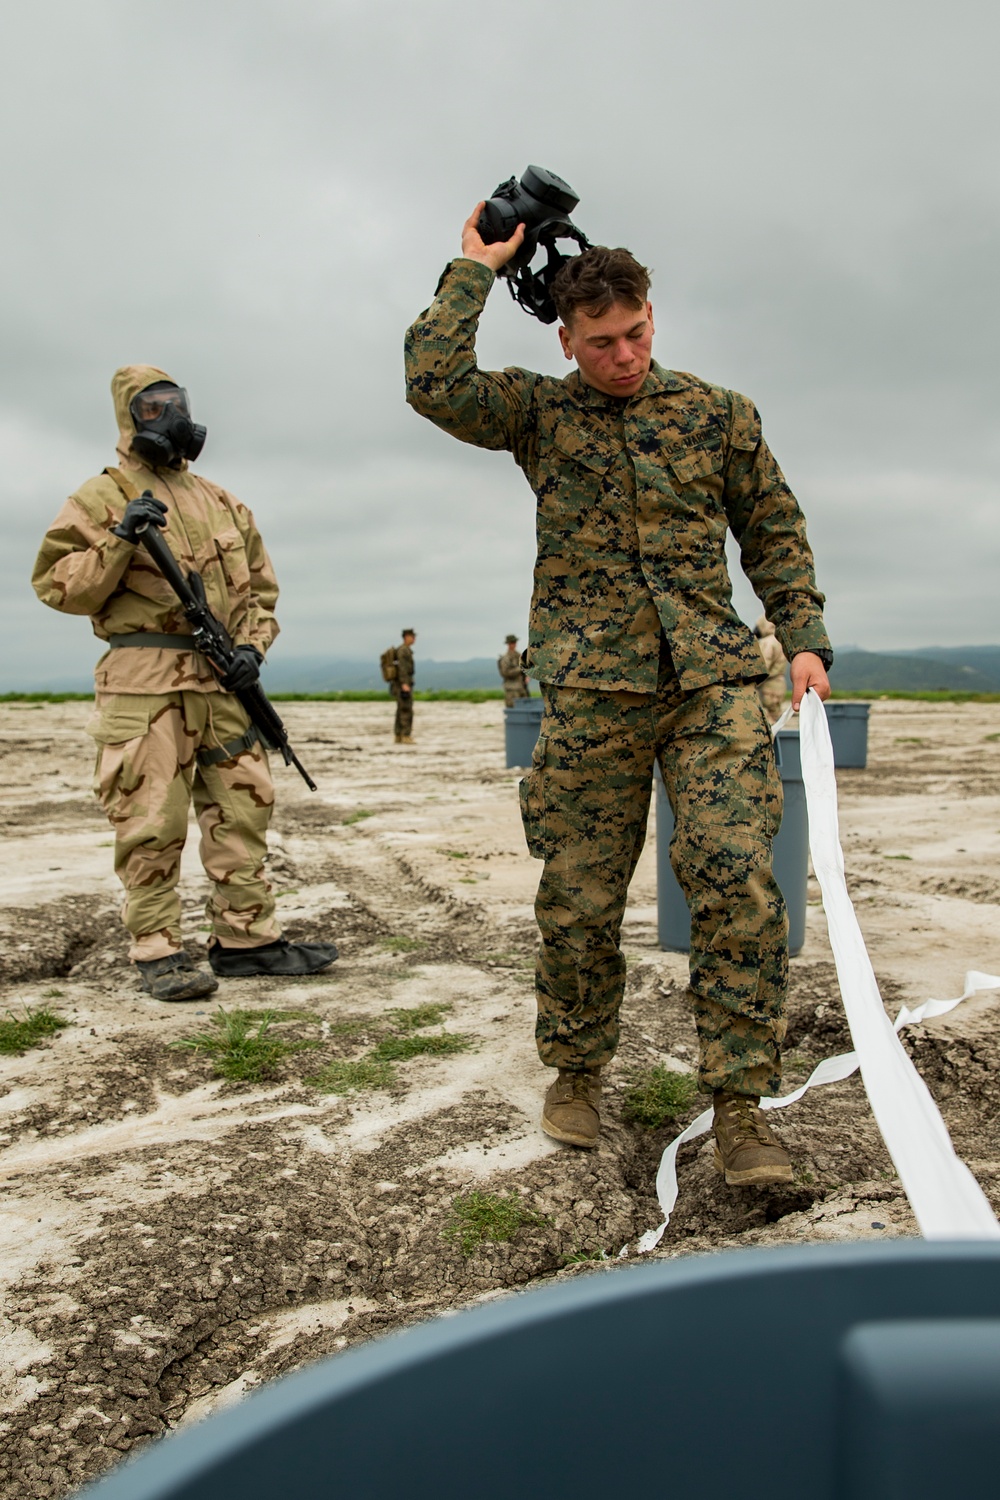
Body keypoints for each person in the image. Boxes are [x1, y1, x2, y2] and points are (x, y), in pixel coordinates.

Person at [405, 211, 833, 1184]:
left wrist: (802, 637)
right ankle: (577, 1073)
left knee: (736, 886)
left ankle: (740, 1109)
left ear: (652, 318)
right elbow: (433, 386)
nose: (624, 355)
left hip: (710, 684)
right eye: (600, 342)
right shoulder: (539, 414)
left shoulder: (718, 415)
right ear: (565, 339)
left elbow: (772, 529)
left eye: (636, 333)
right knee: (581, 898)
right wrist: (475, 268)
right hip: (592, 691)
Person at [32, 365, 338, 1002]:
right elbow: (59, 587)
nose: (169, 416)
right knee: (151, 819)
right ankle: (158, 949)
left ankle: (247, 941)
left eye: (177, 404)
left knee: (243, 807)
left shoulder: (224, 501)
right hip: (144, 685)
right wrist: (119, 538)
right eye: (152, 408)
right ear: (128, 418)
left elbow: (259, 592)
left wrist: (252, 650)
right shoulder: (98, 497)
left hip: (222, 680)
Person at [755, 615, 789, 723]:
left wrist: (752, 683)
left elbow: (762, 666)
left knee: (766, 721)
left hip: (768, 687)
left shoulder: (767, 642)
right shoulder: (781, 640)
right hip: (779, 684)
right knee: (776, 718)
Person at [392, 629, 416, 743]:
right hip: (402, 684)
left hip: (401, 683)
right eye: (412, 636)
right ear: (406, 637)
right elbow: (402, 669)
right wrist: (404, 683)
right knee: (406, 710)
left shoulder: (405, 650)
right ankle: (405, 735)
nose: (414, 639)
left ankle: (398, 735)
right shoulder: (403, 651)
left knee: (401, 710)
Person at [498, 634, 530, 706]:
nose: (514, 644)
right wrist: (520, 669)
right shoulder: (505, 658)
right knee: (513, 710)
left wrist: (527, 676)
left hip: (522, 687)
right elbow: (505, 672)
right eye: (512, 642)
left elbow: (526, 667)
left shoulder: (519, 655)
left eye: (514, 642)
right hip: (511, 688)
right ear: (508, 644)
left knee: (525, 708)